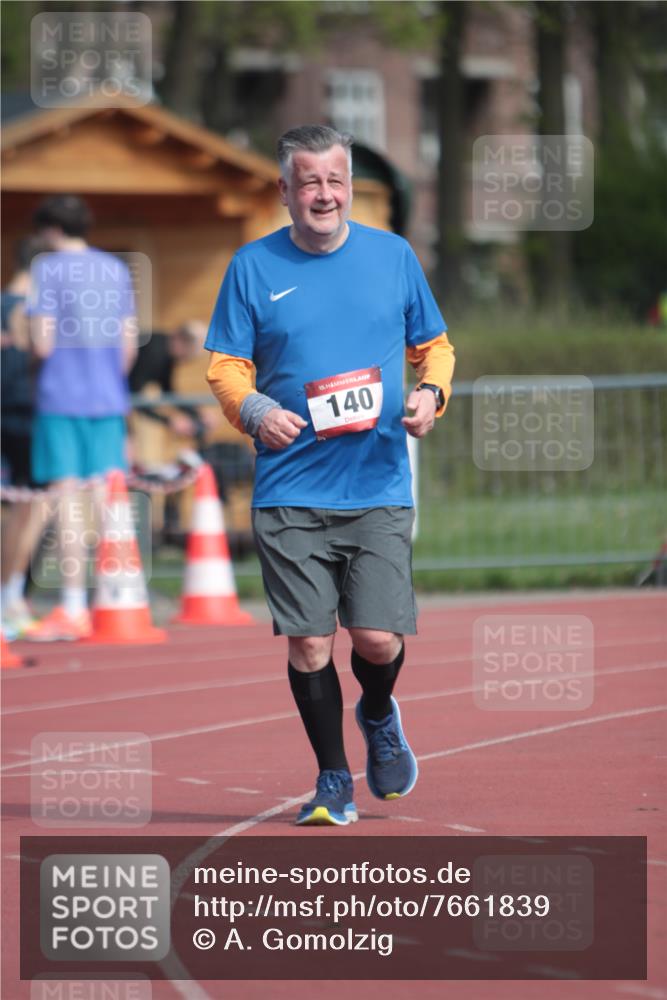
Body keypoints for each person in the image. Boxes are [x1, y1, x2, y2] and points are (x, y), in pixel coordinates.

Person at [206, 125, 455, 826]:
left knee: (375, 638)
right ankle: (331, 779)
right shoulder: (251, 266)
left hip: (374, 482)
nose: (323, 194)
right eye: (309, 181)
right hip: (289, 486)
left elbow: (433, 348)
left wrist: (430, 396)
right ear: (284, 190)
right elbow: (226, 365)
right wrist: (253, 409)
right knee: (310, 640)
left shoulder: (392, 256)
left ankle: (377, 711)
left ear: (349, 186)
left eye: (335, 180)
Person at [25, 194, 138, 641]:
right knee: (106, 500)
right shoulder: (114, 269)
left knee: (66, 500)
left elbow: (42, 344)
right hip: (107, 397)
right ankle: (116, 595)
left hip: (61, 397)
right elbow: (128, 345)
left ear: (49, 229)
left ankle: (73, 605)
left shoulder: (46, 270)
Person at [0, 236, 49, 638]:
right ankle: (10, 598)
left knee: (24, 509)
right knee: (30, 509)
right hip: (25, 416)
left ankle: (12, 597)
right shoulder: (32, 310)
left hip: (14, 415)